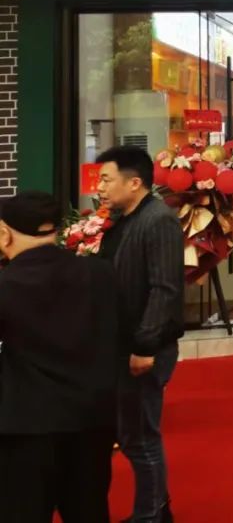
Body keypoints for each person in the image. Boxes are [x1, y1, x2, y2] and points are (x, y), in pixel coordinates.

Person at [0, 191, 118, 523]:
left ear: (5, 234)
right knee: (89, 512)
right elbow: (120, 338)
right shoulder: (100, 274)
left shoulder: (6, 285)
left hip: (25, 426)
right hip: (91, 421)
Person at [97, 146, 185, 523]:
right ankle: (155, 509)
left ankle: (151, 515)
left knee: (140, 437)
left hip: (144, 346)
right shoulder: (123, 219)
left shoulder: (158, 220)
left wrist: (145, 345)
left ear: (134, 183)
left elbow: (165, 289)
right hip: (122, 342)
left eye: (106, 179)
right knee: (133, 434)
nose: (100, 187)